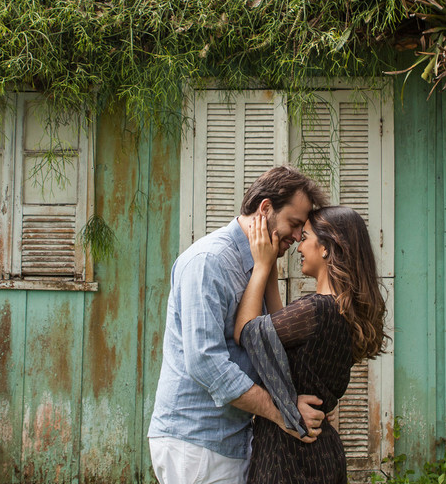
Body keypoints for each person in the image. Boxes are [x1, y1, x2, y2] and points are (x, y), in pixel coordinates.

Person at [148, 166, 330, 484]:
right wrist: (284, 412)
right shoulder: (210, 261)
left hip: (232, 440)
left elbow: (271, 347)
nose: (297, 236)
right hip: (197, 443)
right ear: (265, 208)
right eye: (294, 223)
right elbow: (205, 362)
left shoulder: (258, 263)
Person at [234, 205, 388, 484]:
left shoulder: (317, 309)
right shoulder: (341, 311)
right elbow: (279, 339)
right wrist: (271, 271)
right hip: (321, 452)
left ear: (326, 248)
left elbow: (247, 334)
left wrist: (260, 267)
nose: (299, 246)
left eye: (304, 238)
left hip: (288, 456)